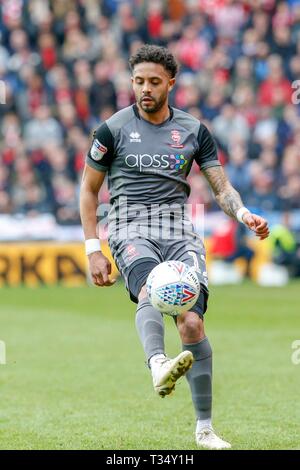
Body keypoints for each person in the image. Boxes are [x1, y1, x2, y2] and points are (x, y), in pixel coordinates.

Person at [79, 45, 269, 450]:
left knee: (193, 325)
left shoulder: (193, 130)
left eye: (152, 82)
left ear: (170, 83)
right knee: (151, 286)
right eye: (138, 82)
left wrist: (243, 213)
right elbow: (88, 190)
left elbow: (220, 186)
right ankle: (157, 364)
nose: (144, 89)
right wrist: (92, 248)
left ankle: (204, 430)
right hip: (130, 227)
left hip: (180, 230)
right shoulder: (111, 129)